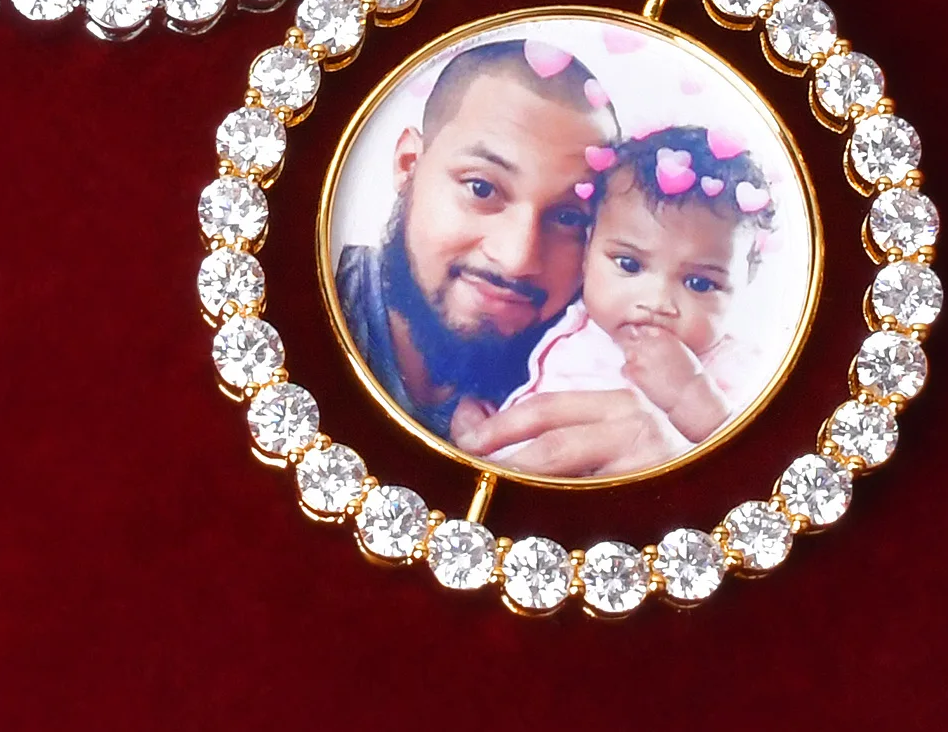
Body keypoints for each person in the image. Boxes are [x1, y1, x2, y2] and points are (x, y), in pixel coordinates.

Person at [333, 38, 616, 442]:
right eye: (482, 188)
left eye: (569, 217)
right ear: (409, 164)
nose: (518, 259)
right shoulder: (297, 305)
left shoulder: (593, 374)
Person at [461, 126, 776, 471]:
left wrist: (696, 401)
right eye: (629, 264)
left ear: (745, 284)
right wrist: (489, 427)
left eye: (699, 283)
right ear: (588, 249)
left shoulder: (737, 367)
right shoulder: (564, 314)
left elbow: (750, 465)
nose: (657, 302)